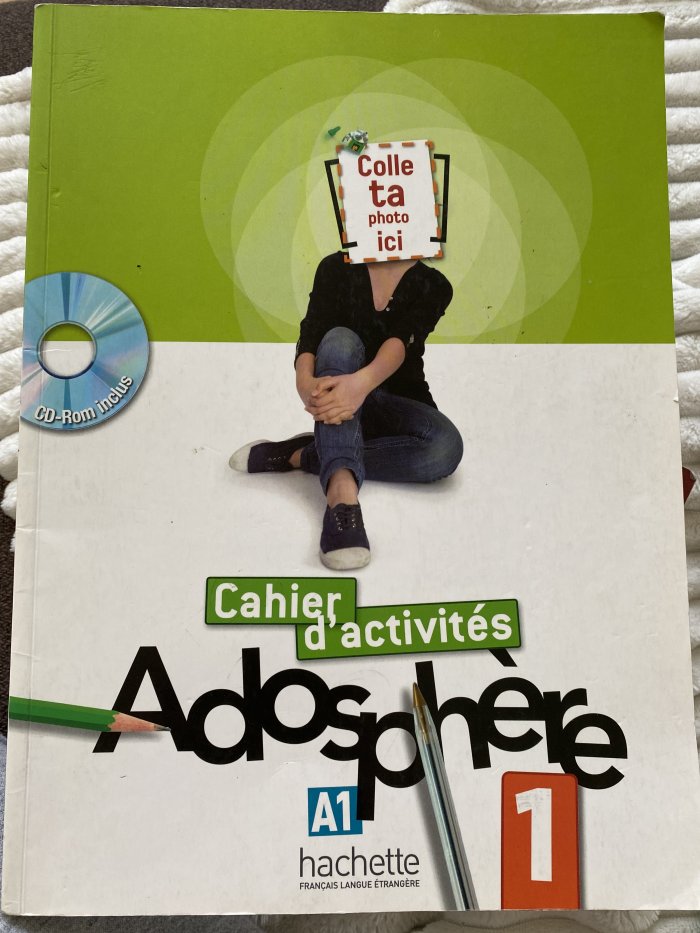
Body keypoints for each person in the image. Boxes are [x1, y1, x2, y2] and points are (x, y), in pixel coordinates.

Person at [229, 251, 463, 571]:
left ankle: (305, 454)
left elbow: (400, 342)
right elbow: (312, 332)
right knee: (339, 339)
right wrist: (305, 384)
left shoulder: (434, 284)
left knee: (445, 448)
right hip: (337, 396)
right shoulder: (335, 267)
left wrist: (360, 386)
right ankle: (342, 497)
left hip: (390, 404)